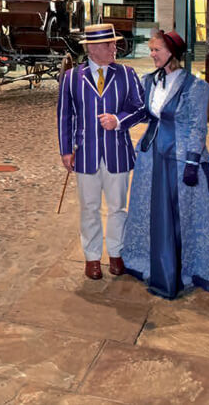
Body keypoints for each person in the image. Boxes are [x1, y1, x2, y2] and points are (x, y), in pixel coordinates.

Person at [121, 30, 209, 299]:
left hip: (180, 158)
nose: (152, 54)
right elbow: (141, 113)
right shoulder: (147, 81)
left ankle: (187, 270)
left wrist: (193, 161)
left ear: (172, 52)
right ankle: (147, 262)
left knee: (181, 217)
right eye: (150, 50)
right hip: (151, 157)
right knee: (149, 210)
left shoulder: (196, 87)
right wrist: (116, 120)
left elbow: (198, 127)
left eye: (156, 49)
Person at [57, 23, 147, 280]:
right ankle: (92, 257)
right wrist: (66, 150)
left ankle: (117, 254)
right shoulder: (72, 77)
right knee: (89, 208)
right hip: (85, 154)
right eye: (109, 44)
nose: (114, 48)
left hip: (117, 153)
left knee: (118, 207)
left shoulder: (127, 75)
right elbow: (65, 116)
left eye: (114, 43)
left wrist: (119, 121)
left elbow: (141, 109)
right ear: (93, 49)